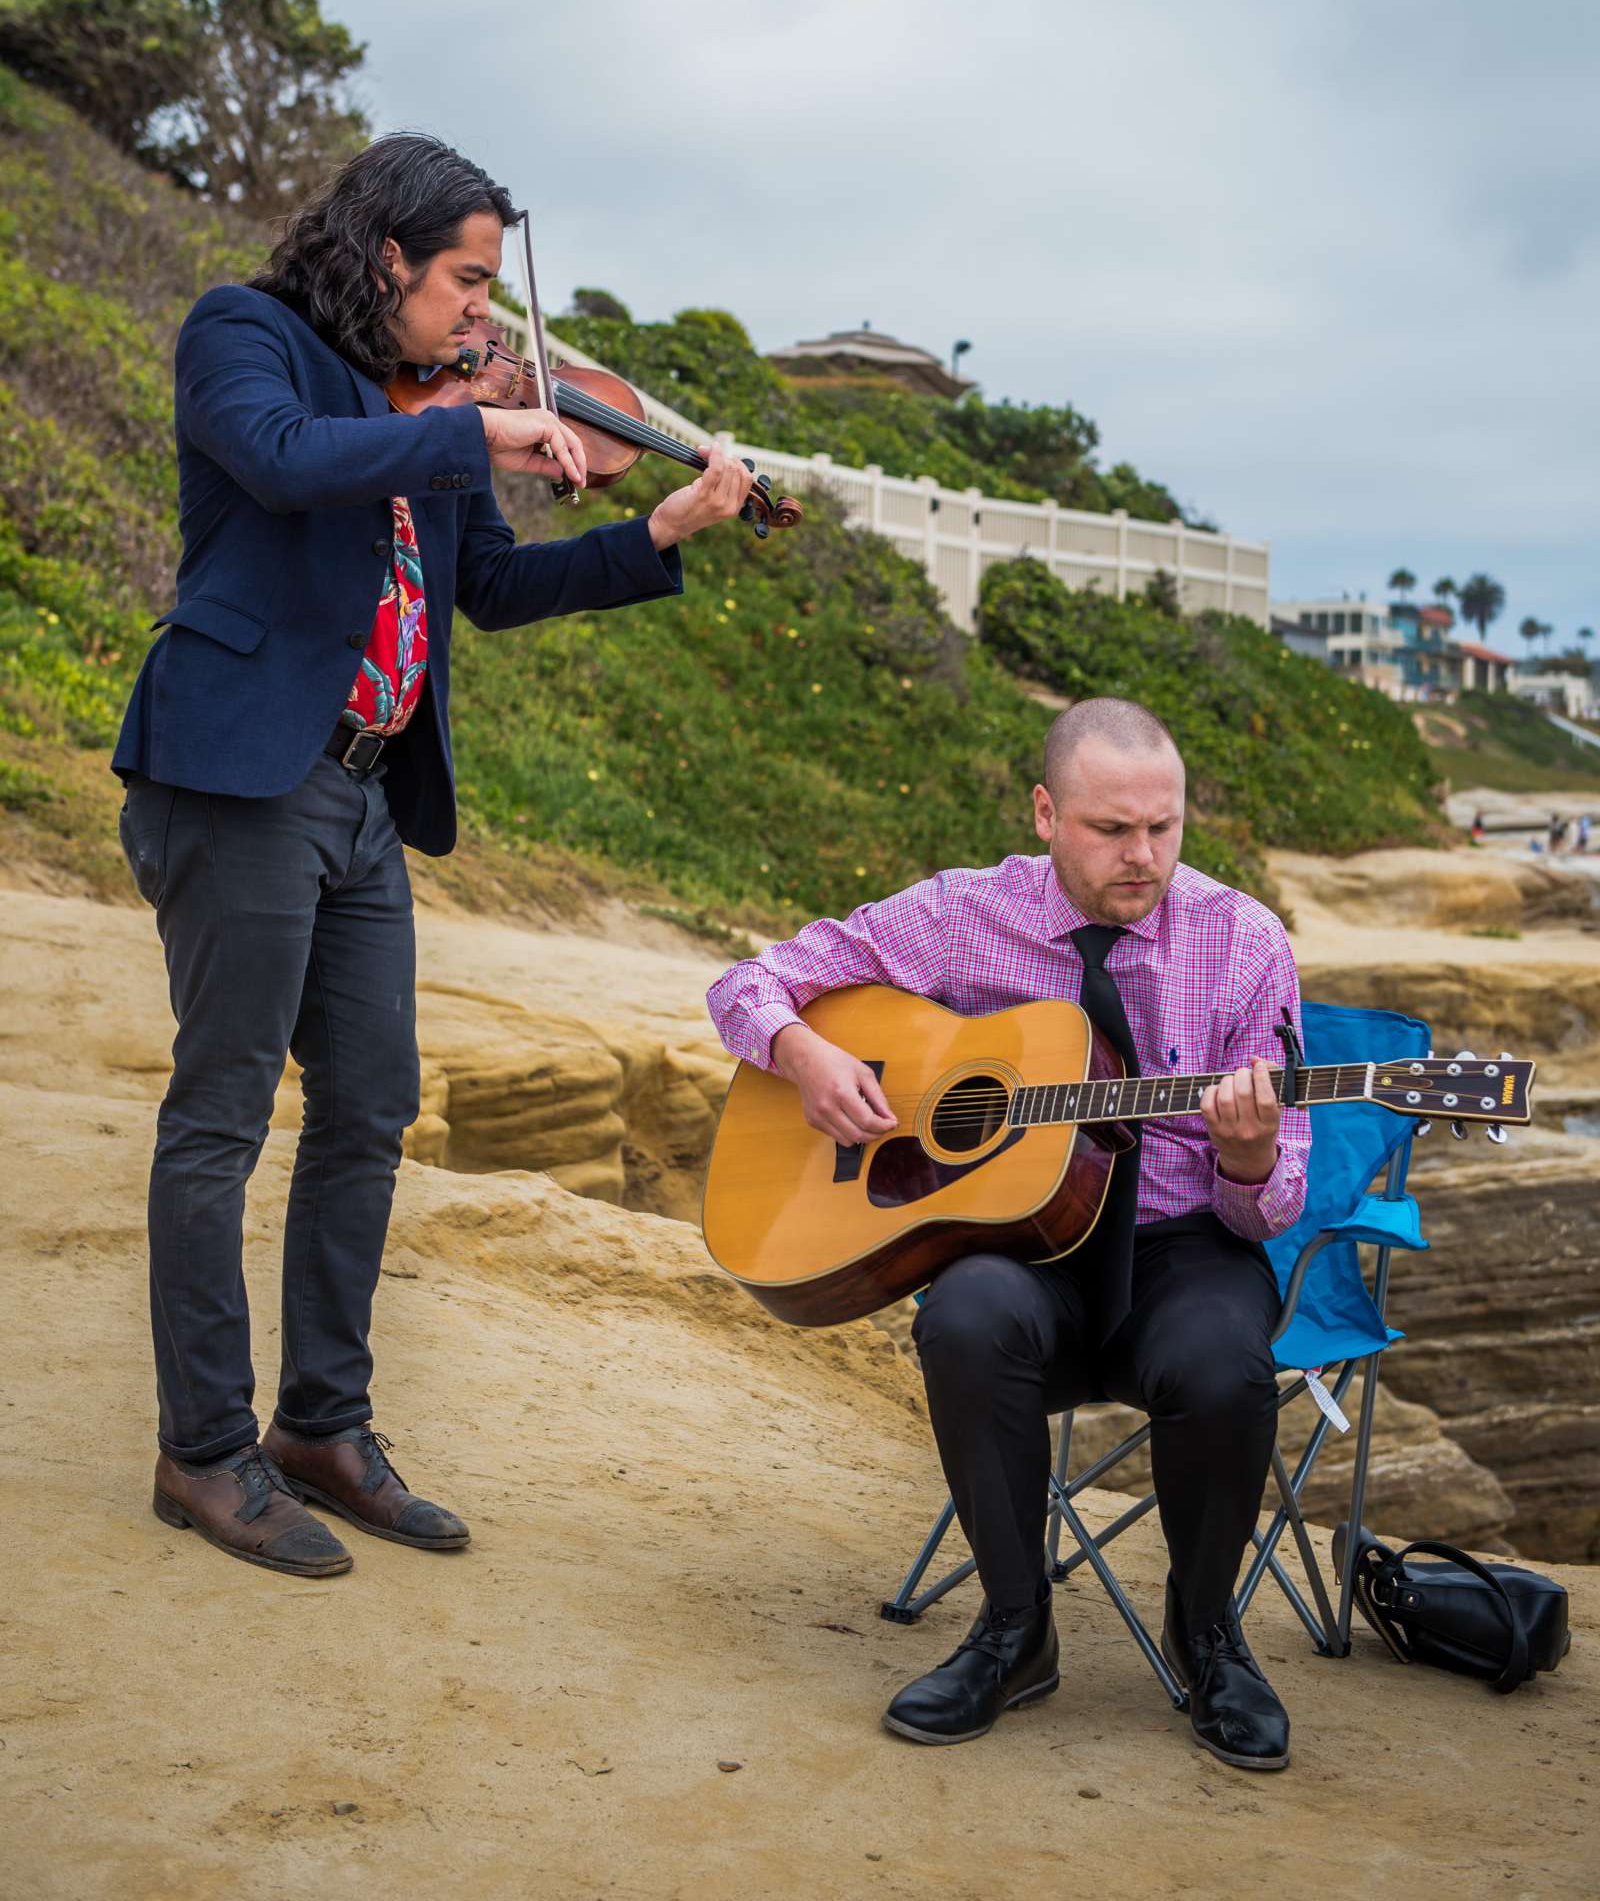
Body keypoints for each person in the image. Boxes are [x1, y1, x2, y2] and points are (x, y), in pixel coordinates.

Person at [114, 133, 753, 1580]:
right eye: (470, 283)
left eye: (490, 289)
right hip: (237, 774)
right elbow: (280, 465)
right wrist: (475, 430)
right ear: (388, 253)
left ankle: (319, 1429)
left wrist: (656, 524)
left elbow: (496, 591)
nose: (487, 318)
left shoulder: (435, 408)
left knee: (370, 1104)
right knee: (220, 1113)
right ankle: (200, 1451)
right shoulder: (245, 336)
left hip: (358, 793)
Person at [706, 696, 1309, 1771]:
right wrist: (802, 1053)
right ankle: (1013, 1632)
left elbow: (1263, 1210)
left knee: (1224, 1363)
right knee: (967, 1317)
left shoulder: (1246, 939)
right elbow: (747, 983)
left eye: (1164, 829)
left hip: (1180, 1249)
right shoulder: (955, 915)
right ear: (1043, 811)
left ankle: (1207, 1634)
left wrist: (1249, 1154)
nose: (1144, 857)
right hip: (1024, 1251)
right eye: (1110, 829)